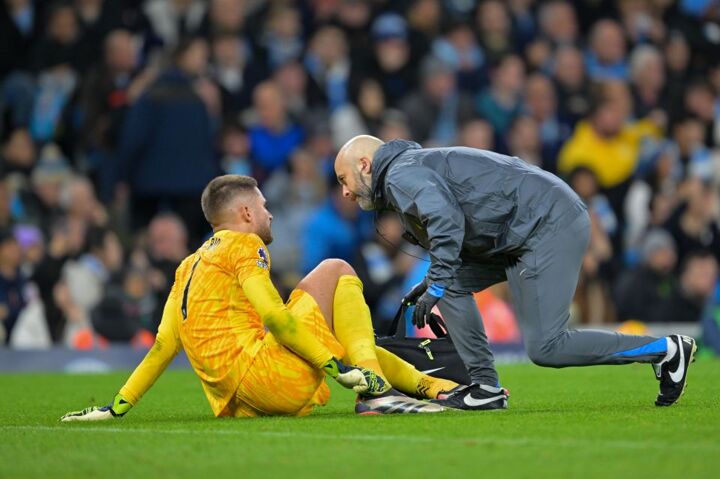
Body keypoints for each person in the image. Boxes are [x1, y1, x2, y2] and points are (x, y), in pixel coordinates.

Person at [334, 135, 698, 410]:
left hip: (545, 224)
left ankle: (666, 348)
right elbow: (465, 216)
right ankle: (485, 389)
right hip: (522, 229)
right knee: (454, 285)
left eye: (343, 178)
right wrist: (436, 281)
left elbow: (446, 220)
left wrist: (439, 279)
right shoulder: (410, 167)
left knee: (546, 346)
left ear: (366, 165)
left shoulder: (399, 174)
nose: (345, 192)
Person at [61, 175, 453, 421]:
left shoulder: (189, 266)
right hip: (267, 376)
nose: (271, 215)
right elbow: (275, 319)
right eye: (265, 207)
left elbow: (164, 345)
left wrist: (116, 407)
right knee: (336, 269)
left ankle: (432, 387)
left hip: (240, 404)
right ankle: (376, 393)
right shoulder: (245, 245)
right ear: (246, 213)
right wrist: (338, 370)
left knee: (347, 340)